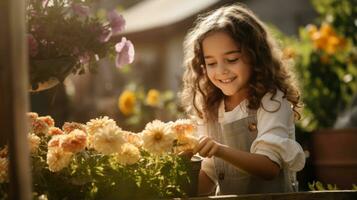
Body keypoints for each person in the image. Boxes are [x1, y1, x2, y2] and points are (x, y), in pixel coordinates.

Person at [180, 3, 306, 196]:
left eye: (231, 60)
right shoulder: (211, 108)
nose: (221, 70)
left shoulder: (272, 102)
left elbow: (269, 168)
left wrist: (219, 150)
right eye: (211, 63)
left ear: (255, 56)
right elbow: (209, 171)